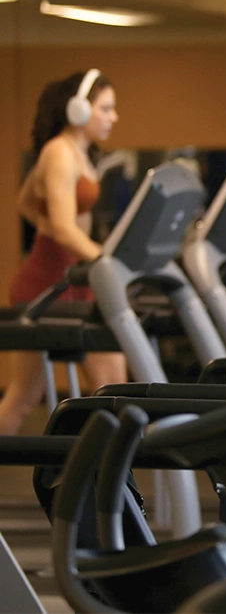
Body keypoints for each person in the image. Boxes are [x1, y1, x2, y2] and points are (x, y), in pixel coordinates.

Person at [1, 70, 126, 435]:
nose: (113, 117)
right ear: (78, 110)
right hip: (47, 283)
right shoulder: (59, 153)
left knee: (115, 391)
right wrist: (105, 260)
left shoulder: (75, 152)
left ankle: (106, 481)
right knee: (23, 398)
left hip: (77, 276)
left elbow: (25, 202)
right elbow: (63, 229)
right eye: (106, 108)